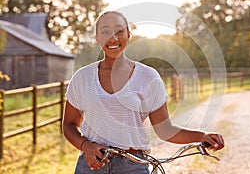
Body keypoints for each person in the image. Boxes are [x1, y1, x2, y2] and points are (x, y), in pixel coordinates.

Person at [62, 11, 224, 174]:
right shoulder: (82, 77)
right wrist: (85, 146)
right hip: (91, 165)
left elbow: (165, 130)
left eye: (119, 31)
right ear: (97, 37)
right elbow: (69, 125)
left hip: (133, 166)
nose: (113, 38)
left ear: (128, 34)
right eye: (105, 32)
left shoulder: (148, 77)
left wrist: (202, 136)